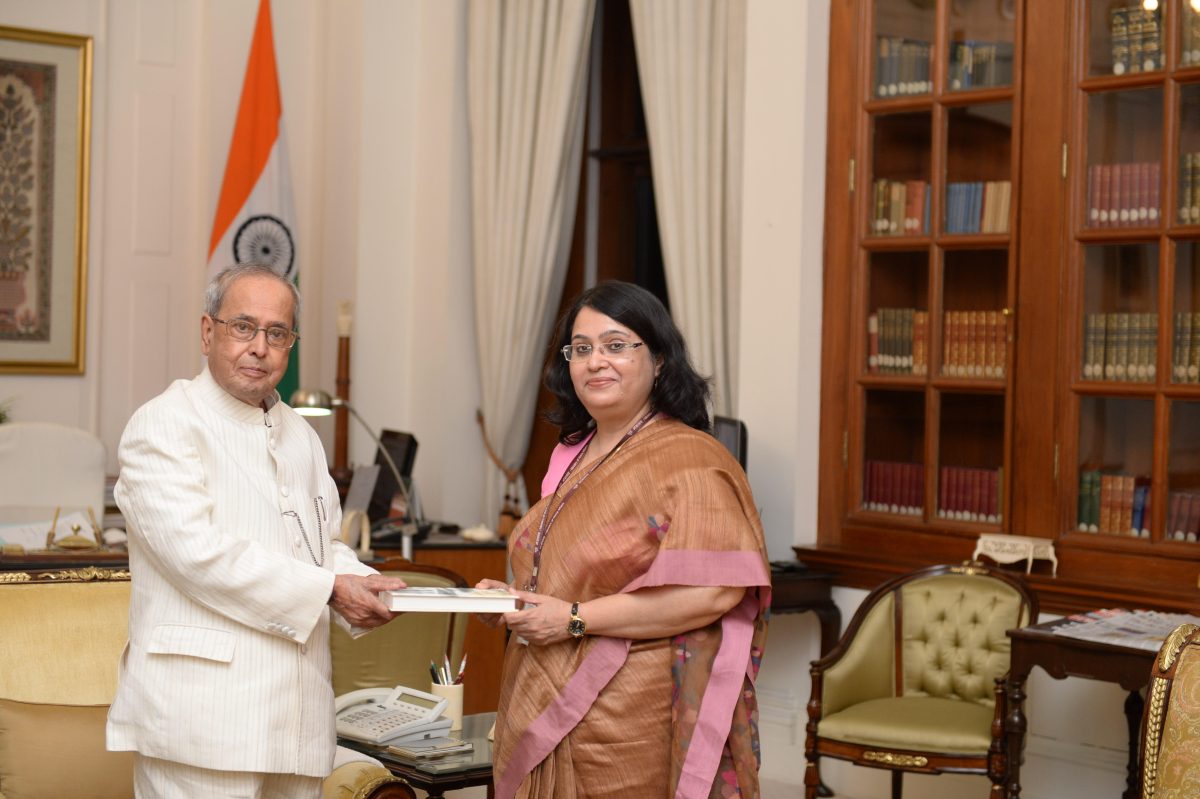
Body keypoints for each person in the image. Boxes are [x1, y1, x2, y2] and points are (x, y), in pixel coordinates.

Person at [107, 263, 406, 798]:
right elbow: (197, 555)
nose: (259, 347)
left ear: (290, 344)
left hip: (297, 720)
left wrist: (363, 579)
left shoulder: (300, 434)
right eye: (242, 327)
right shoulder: (164, 423)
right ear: (207, 332)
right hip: (201, 723)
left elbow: (321, 544)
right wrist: (333, 589)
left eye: (277, 333)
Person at [478, 280, 771, 798]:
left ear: (659, 359)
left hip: (628, 714)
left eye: (616, 345)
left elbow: (715, 592)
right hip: (537, 681)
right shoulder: (571, 455)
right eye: (582, 348)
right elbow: (561, 574)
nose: (596, 362)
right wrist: (513, 602)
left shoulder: (692, 459)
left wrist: (573, 619)